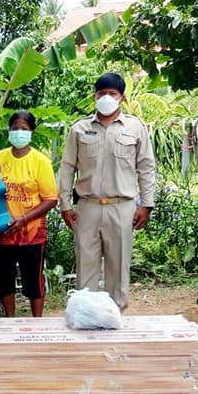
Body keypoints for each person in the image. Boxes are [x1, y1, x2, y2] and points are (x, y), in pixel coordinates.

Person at [58, 72, 156, 311]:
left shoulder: (135, 128)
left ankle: (117, 317)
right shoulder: (79, 129)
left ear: (121, 98)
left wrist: (147, 204)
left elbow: (146, 166)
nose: (106, 98)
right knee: (86, 268)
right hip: (87, 207)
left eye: (112, 94)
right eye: (102, 94)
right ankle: (85, 316)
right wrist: (65, 205)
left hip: (121, 208)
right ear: (95, 96)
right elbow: (67, 167)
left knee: (118, 268)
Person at [0, 111, 59, 317]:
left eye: (24, 129)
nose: (19, 132)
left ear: (32, 132)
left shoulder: (40, 161)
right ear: (9, 130)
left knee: (33, 280)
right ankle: (11, 319)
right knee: (3, 280)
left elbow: (51, 199)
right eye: (15, 128)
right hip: (2, 232)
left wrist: (25, 219)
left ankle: (37, 321)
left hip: (32, 234)